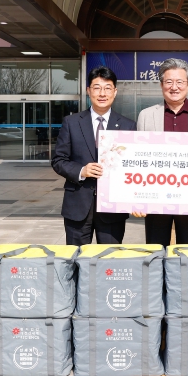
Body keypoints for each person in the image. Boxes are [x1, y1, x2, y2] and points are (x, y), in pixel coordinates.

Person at [133, 58, 188, 246]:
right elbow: (138, 158)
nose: (174, 87)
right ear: (161, 84)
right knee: (155, 249)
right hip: (155, 195)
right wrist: (137, 198)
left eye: (180, 82)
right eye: (169, 82)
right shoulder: (146, 115)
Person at [51, 66, 136, 245]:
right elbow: (58, 160)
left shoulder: (128, 126)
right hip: (78, 205)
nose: (102, 93)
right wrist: (81, 170)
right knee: (76, 257)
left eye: (107, 88)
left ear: (115, 92)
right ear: (88, 91)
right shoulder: (71, 122)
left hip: (113, 208)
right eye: (97, 88)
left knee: (109, 258)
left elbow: (133, 166)